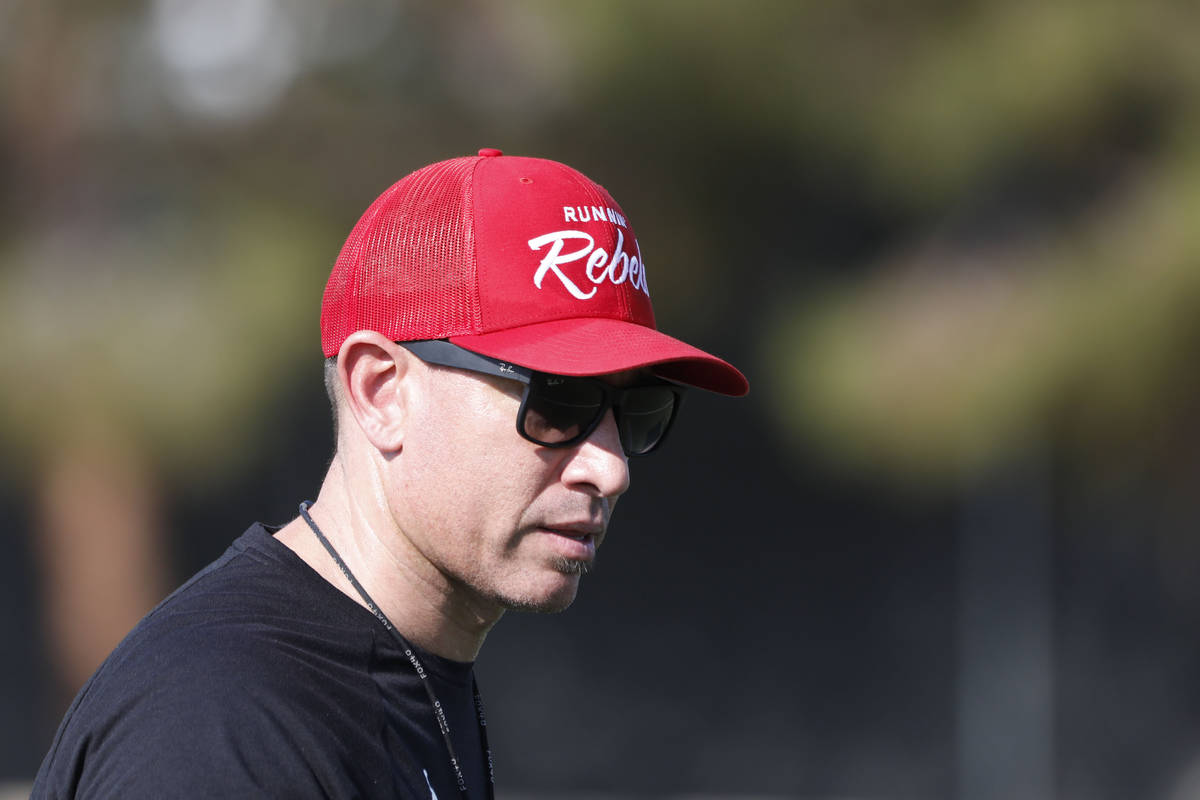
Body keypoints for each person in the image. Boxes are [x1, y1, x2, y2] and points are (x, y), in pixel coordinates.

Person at [31, 148, 748, 798]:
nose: (611, 466)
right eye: (559, 401)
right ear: (382, 391)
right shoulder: (220, 724)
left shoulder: (411, 670)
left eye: (638, 409)